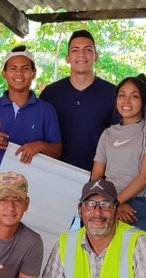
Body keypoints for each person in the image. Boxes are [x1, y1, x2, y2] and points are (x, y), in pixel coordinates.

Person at [0, 46, 62, 209]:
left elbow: (57, 151)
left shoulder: (46, 110)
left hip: (33, 196)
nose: (19, 73)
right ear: (4, 74)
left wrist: (40, 145)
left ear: (33, 73)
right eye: (13, 68)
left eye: (25, 69)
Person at [90, 74, 146, 235]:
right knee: (100, 258)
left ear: (143, 101)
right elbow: (96, 176)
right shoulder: (108, 133)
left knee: (134, 258)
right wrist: (109, 204)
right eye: (122, 95)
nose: (126, 101)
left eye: (134, 96)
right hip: (106, 201)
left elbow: (145, 177)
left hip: (138, 206)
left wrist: (114, 204)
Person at [40, 30, 117, 172]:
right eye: (75, 50)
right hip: (55, 175)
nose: (81, 54)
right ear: (67, 58)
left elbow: (119, 140)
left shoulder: (113, 93)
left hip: (98, 178)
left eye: (88, 49)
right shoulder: (50, 93)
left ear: (96, 56)